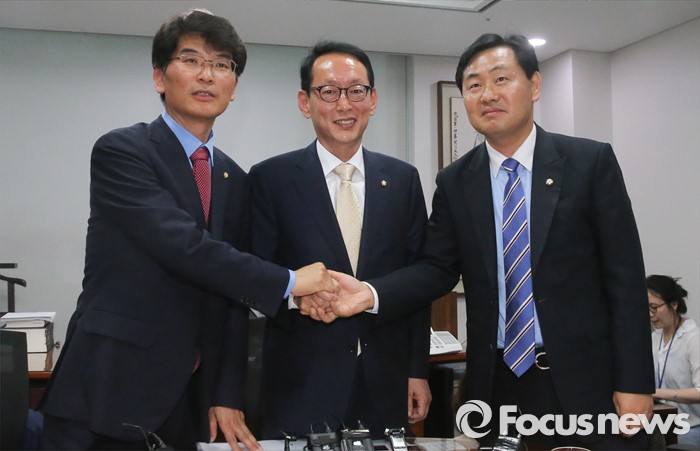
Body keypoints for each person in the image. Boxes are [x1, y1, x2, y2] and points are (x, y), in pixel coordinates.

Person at [311, 33, 656, 450]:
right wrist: (370, 293)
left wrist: (636, 382)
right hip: (496, 384)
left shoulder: (589, 163)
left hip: (588, 382)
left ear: (534, 85)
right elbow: (436, 269)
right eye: (474, 85)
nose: (488, 94)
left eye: (501, 79)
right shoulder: (456, 181)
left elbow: (625, 280)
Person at [39, 9, 333, 450]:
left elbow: (232, 294)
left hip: (187, 402)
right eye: (191, 60)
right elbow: (184, 246)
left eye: (222, 64)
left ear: (233, 87)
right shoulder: (123, 151)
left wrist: (226, 393)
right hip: (106, 391)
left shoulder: (235, 179)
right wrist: (291, 282)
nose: (207, 75)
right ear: (160, 77)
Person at [243, 41, 432, 439]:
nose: (344, 104)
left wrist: (417, 370)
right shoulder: (270, 179)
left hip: (385, 380)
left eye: (356, 91)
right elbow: (254, 273)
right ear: (305, 102)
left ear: (373, 99)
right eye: (329, 91)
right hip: (301, 382)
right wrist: (296, 297)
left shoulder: (403, 179)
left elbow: (418, 279)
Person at [647, 275, 700, 446]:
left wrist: (656, 392)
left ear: (674, 304)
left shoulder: (693, 339)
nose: (650, 314)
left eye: (654, 307)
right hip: (661, 423)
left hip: (691, 426)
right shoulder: (654, 337)